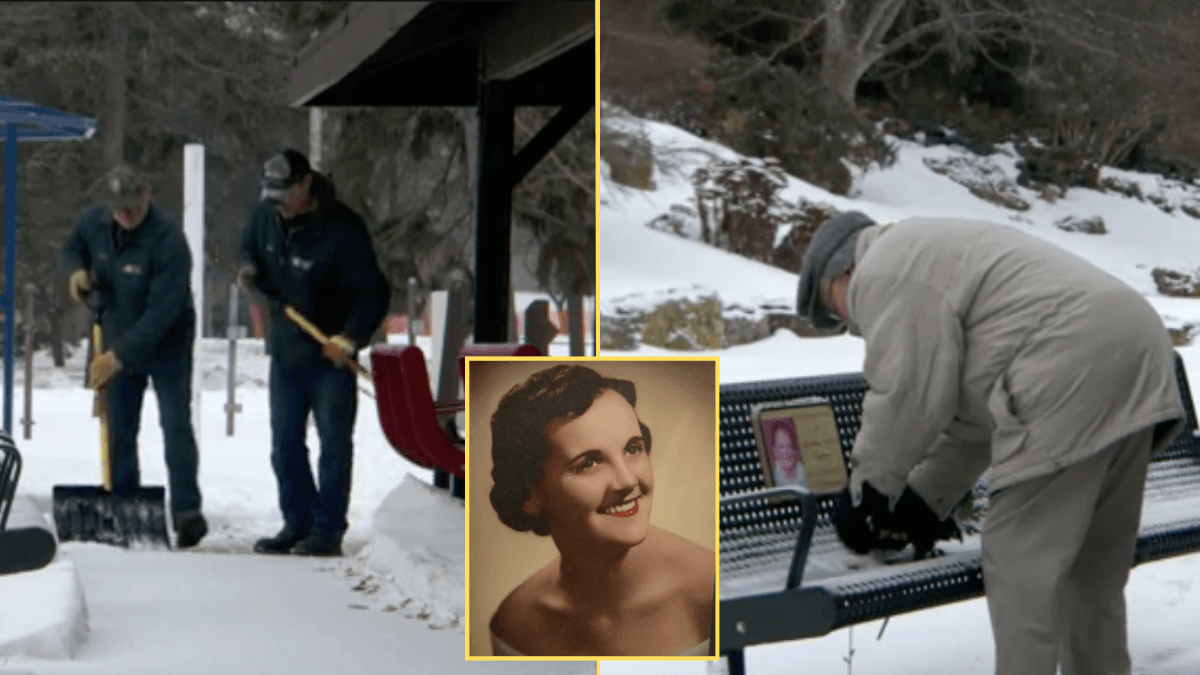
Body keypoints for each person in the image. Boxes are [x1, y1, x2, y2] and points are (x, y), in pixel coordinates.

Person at [795, 211, 1185, 675]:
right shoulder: (930, 248)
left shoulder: (883, 270)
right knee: (1092, 572)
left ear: (841, 273)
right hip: (1135, 345)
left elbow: (907, 392)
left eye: (833, 310)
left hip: (1068, 361)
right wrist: (925, 502)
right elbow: (974, 418)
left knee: (1020, 568)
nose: (847, 323)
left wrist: (867, 495)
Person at [487, 365, 715, 657]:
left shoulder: (711, 590)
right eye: (589, 463)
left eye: (632, 449)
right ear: (529, 496)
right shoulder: (516, 623)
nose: (627, 481)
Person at [237, 149, 390, 557]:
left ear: (305, 184)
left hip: (329, 355)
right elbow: (249, 248)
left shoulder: (342, 229)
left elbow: (374, 293)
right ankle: (297, 521)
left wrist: (349, 338)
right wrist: (249, 270)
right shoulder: (266, 216)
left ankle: (327, 529)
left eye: (283, 194)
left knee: (333, 445)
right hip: (286, 351)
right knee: (284, 445)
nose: (277, 204)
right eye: (270, 195)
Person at [60, 164, 207, 549]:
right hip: (117, 334)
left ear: (146, 195)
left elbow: (163, 311)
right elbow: (72, 246)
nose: (125, 215)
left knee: (175, 425)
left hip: (167, 344)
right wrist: (76, 271)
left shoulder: (168, 241)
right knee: (119, 425)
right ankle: (125, 502)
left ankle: (187, 512)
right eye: (118, 208)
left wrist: (120, 354)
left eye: (132, 207)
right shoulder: (94, 222)